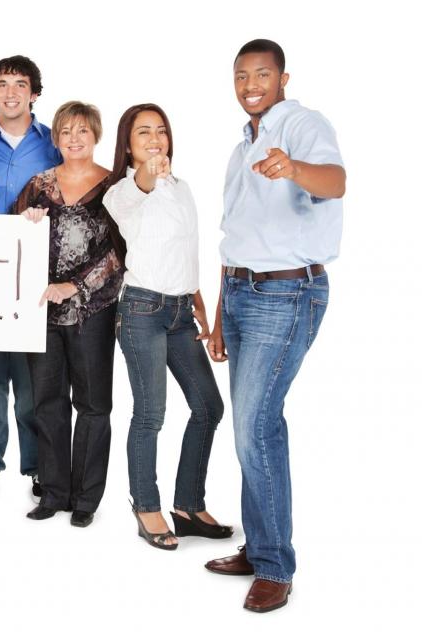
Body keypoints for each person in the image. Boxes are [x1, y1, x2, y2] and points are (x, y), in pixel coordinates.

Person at [204, 39, 345, 613]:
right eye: (241, 75)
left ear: (284, 77)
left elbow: (335, 181)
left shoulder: (303, 124)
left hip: (285, 293)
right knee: (256, 426)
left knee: (253, 427)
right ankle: (260, 545)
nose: (251, 83)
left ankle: (275, 566)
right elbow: (234, 237)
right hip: (240, 293)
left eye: (262, 73)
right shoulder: (243, 147)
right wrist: (217, 315)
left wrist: (294, 168)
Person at [103, 104, 229, 550]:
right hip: (141, 312)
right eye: (143, 133)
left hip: (180, 312)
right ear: (129, 144)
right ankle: (146, 506)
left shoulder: (183, 187)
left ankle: (188, 506)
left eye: (161, 131)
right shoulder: (122, 192)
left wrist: (199, 304)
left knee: (209, 407)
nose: (155, 139)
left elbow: (187, 248)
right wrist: (148, 174)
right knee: (151, 413)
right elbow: (140, 187)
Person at [0, 55, 62, 502]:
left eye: (21, 84)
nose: (11, 92)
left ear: (35, 93)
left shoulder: (53, 144)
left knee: (34, 382)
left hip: (37, 277)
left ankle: (40, 466)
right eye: (3, 84)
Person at [16, 102, 123, 528]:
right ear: (55, 138)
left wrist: (75, 286)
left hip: (92, 311)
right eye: (65, 131)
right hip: (41, 312)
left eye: (82, 131)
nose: (74, 138)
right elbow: (12, 245)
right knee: (48, 403)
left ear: (95, 135)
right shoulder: (38, 185)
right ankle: (54, 492)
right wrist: (25, 221)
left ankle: (86, 499)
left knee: (94, 405)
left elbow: (120, 252)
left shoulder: (114, 187)